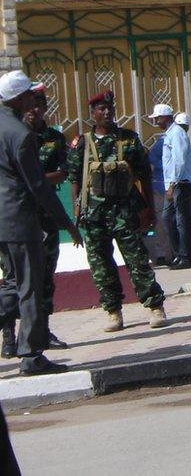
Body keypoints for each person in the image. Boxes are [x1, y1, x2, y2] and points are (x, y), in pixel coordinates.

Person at [0, 70, 81, 375]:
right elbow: (38, 186)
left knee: (12, 284)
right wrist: (66, 223)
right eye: (32, 95)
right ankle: (32, 356)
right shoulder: (21, 135)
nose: (35, 101)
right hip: (19, 220)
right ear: (21, 98)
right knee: (30, 287)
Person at [67, 90, 168, 332]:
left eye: (110, 108)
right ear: (92, 113)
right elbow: (74, 180)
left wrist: (150, 211)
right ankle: (113, 311)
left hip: (125, 212)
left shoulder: (129, 140)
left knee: (138, 261)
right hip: (94, 216)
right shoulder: (82, 143)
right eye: (101, 109)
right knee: (101, 265)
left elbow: (144, 175)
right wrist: (76, 211)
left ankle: (155, 306)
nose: (107, 112)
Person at [149, 104, 191, 270]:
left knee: (182, 221)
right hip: (173, 183)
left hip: (181, 183)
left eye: (157, 118)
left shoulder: (177, 134)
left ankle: (186, 257)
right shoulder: (168, 135)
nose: (155, 121)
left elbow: (179, 161)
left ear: (166, 118)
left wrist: (173, 184)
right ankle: (178, 254)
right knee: (167, 218)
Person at [145, 135, 171, 265]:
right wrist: (166, 165)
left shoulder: (182, 141)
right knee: (160, 221)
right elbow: (151, 158)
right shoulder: (162, 141)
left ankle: (173, 252)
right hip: (160, 187)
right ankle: (161, 254)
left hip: (175, 187)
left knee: (174, 223)